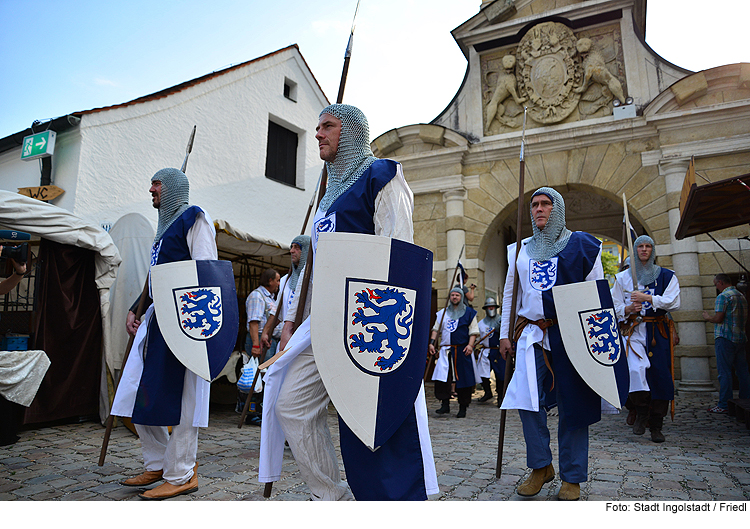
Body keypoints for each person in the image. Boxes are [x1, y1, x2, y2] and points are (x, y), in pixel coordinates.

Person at [259, 103, 438, 501]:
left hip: (365, 322)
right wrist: (292, 320)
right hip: (321, 322)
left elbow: (397, 252)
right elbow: (312, 268)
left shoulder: (381, 175)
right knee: (291, 406)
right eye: (317, 127)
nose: (318, 134)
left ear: (352, 132)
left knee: (374, 422)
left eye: (327, 126)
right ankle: (334, 499)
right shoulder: (326, 196)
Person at [112, 167, 217, 500]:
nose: (151, 189)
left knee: (186, 398)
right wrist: (136, 308)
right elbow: (155, 278)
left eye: (156, 183)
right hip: (157, 321)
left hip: (186, 321)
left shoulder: (194, 219)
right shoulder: (163, 232)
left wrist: (194, 325)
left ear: (172, 188)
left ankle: (182, 472)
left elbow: (206, 270)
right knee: (137, 391)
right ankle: (157, 462)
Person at [498, 187, 607, 501]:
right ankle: (541, 466)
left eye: (546, 204)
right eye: (535, 205)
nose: (539, 209)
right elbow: (510, 293)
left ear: (556, 209)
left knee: (574, 404)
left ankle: (572, 476)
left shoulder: (583, 246)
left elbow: (596, 294)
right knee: (526, 400)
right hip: (531, 334)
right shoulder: (517, 250)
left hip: (569, 332)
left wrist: (595, 340)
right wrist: (505, 333)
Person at [612, 235, 680, 443]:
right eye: (640, 246)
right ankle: (641, 412)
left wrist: (648, 298)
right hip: (633, 331)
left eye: (648, 246)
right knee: (634, 370)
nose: (644, 250)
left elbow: (673, 302)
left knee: (660, 377)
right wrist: (628, 308)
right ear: (635, 250)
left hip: (657, 331)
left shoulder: (668, 276)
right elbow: (613, 307)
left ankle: (657, 425)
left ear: (652, 250)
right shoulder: (623, 278)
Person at [429, 287, 480, 417]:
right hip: (446, 350)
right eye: (452, 295)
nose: (455, 297)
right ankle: (444, 404)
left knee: (463, 379)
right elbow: (436, 329)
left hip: (462, 350)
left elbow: (473, 330)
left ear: (461, 297)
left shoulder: (469, 313)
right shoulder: (442, 313)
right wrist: (431, 343)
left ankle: (463, 407)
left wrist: (470, 345)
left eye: (457, 295)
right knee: (442, 379)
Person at [703, 274, 750, 413]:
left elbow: (718, 318)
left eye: (715, 284)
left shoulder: (723, 297)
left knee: (724, 372)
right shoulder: (741, 296)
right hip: (740, 338)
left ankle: (724, 404)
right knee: (743, 372)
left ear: (721, 282)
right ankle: (746, 400)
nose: (716, 287)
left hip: (725, 337)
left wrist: (707, 317)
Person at [237, 268, 280, 420]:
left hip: (269, 341)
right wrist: (256, 345)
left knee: (266, 376)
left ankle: (260, 411)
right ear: (270, 281)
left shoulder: (271, 298)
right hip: (260, 339)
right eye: (277, 280)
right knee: (258, 375)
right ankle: (251, 412)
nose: (279, 283)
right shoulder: (257, 296)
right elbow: (254, 322)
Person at [260, 235, 310, 355]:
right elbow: (278, 311)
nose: (291, 251)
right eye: (291, 247)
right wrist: (266, 332)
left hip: (307, 341)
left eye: (297, 247)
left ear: (307, 251)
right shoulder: (285, 281)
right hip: (287, 340)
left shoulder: (313, 281)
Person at [477, 297, 503, 404]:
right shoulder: (481, 324)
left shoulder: (502, 321)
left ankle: (500, 397)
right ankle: (488, 392)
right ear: (486, 309)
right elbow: (477, 338)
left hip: (499, 352)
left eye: (492, 307)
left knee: (500, 375)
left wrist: (500, 328)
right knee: (482, 374)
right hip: (486, 351)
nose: (491, 309)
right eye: (489, 307)